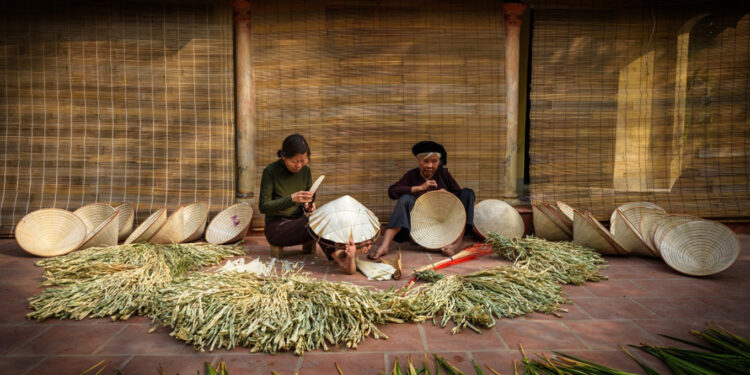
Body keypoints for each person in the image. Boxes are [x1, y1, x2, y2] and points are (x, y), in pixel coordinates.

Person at [259, 134, 361, 274]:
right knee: (312, 222)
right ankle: (339, 257)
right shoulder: (270, 172)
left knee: (322, 215)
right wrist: (292, 199)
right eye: (294, 161)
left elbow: (309, 197)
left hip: (301, 224)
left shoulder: (305, 171)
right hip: (277, 228)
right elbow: (263, 206)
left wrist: (308, 205)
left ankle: (343, 252)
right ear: (284, 157)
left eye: (303, 160)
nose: (299, 165)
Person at [368, 140, 475, 260]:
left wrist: (447, 194)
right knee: (405, 198)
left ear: (439, 162)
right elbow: (392, 191)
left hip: (445, 223)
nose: (430, 165)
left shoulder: (443, 174)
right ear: (419, 162)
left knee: (467, 193)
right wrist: (419, 188)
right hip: (419, 228)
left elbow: (460, 201)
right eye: (425, 161)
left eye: (434, 161)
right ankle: (385, 246)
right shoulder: (412, 175)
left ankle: (457, 244)